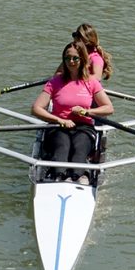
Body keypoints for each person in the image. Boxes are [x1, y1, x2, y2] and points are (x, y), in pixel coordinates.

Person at [32, 41, 115, 176]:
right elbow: (36, 108)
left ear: (82, 59)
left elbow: (109, 108)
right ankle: (56, 175)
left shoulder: (91, 82)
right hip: (58, 126)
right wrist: (59, 120)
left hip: (84, 127)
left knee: (79, 151)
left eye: (75, 58)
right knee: (62, 149)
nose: (71, 61)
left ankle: (80, 176)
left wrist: (88, 111)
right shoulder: (54, 82)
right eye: (67, 58)